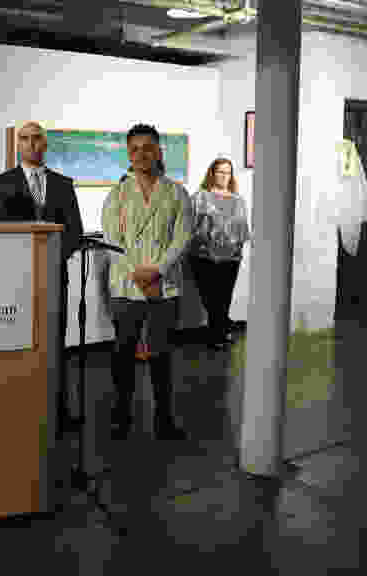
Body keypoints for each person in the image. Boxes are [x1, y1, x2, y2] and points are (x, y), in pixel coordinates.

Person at [0, 121, 84, 432]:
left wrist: (51, 259)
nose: (31, 144)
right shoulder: (1, 183)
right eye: (25, 139)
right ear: (18, 144)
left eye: (36, 138)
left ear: (45, 143)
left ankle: (58, 414)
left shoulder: (63, 184)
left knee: (55, 346)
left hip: (55, 277)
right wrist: (26, 263)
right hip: (16, 281)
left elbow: (75, 232)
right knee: (17, 347)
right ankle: (21, 412)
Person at [101, 124, 192, 441]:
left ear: (159, 152)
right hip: (126, 287)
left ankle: (164, 419)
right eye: (135, 149)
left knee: (161, 355)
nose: (141, 154)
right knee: (123, 354)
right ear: (129, 154)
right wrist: (137, 274)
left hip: (164, 286)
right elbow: (111, 240)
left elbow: (183, 237)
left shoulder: (177, 192)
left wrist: (158, 270)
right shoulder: (117, 194)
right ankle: (121, 417)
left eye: (148, 148)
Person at [188, 158, 250, 350]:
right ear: (212, 173)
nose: (224, 176)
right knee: (211, 298)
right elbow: (190, 226)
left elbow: (242, 229)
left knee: (224, 297)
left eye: (228, 172)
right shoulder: (200, 197)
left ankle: (219, 333)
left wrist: (237, 248)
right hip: (203, 256)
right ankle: (219, 332)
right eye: (220, 172)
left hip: (231, 258)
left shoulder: (238, 200)